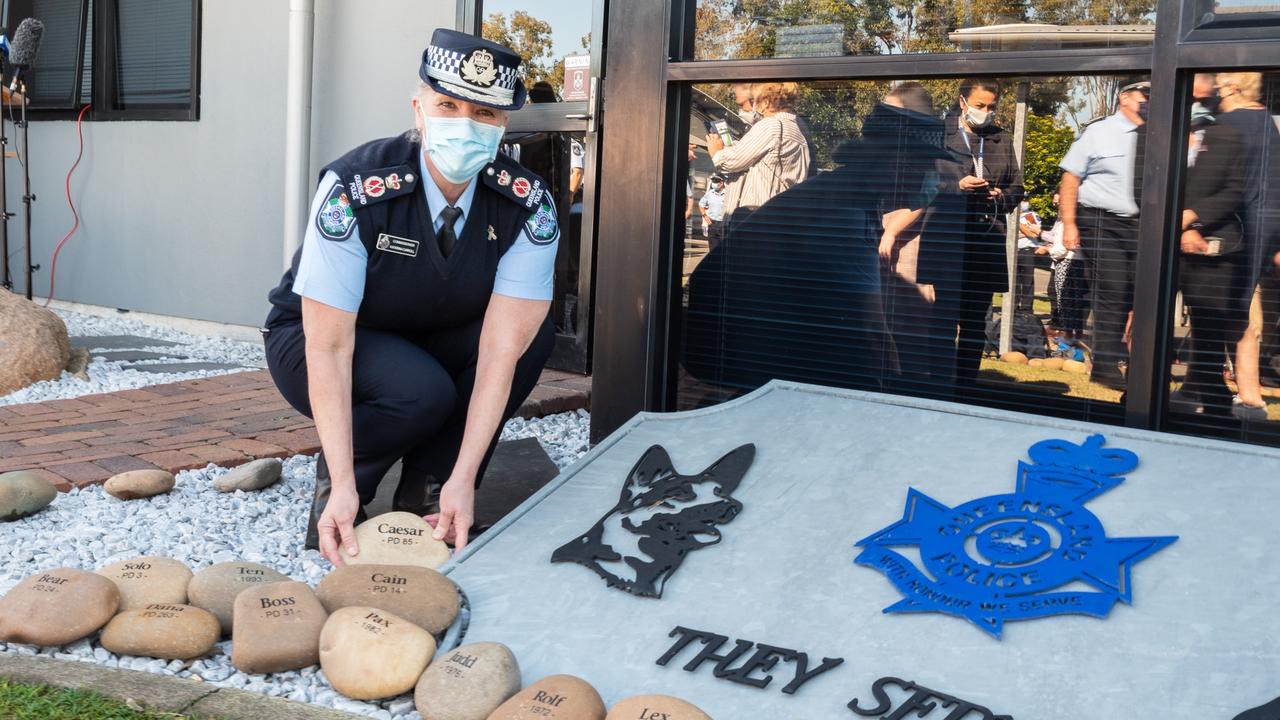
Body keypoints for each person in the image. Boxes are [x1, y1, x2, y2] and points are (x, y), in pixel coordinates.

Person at [262, 30, 558, 564]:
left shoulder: (528, 204)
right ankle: (341, 493)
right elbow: (328, 347)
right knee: (421, 392)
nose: (465, 125)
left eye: (485, 114)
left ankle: (433, 492)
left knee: (533, 342)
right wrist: (345, 481)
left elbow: (498, 352)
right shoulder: (355, 185)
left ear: (503, 126)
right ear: (419, 109)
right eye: (448, 105)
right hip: (319, 340)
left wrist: (466, 478)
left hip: (437, 333)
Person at [929, 78, 1024, 387]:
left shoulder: (1001, 139)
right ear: (962, 103)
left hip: (987, 236)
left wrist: (1001, 196)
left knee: (976, 319)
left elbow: (1017, 187)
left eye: (992, 107)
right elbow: (918, 182)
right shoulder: (937, 134)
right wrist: (956, 186)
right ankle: (938, 381)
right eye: (980, 106)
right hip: (948, 237)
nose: (986, 112)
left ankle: (966, 383)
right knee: (943, 317)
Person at [1058, 78, 1149, 390]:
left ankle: (1139, 363)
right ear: (1124, 97)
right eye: (1144, 94)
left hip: (1143, 225)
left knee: (1144, 293)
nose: (1149, 100)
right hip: (1101, 221)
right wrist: (1069, 224)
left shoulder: (1161, 131)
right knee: (1112, 288)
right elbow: (1071, 177)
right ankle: (1106, 365)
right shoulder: (1100, 131)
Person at [1172, 102, 1252, 418]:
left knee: (1207, 331)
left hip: (1215, 249)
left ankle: (1216, 407)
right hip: (1164, 245)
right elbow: (1144, 184)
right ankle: (1139, 398)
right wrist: (1177, 230)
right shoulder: (1160, 134)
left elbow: (1236, 190)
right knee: (1148, 323)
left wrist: (1194, 218)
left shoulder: (1227, 138)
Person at [1211, 72, 1277, 415]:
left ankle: (1245, 393)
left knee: (1227, 312)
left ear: (1233, 86)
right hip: (1262, 231)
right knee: (1246, 310)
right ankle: (1245, 391)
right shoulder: (1266, 122)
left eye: (1220, 81)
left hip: (1232, 231)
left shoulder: (1227, 124)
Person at [706, 82, 811, 225]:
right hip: (776, 217)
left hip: (755, 218)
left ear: (766, 101)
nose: (754, 105)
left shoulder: (771, 125)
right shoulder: (797, 131)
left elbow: (731, 162)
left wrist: (717, 151)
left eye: (756, 100)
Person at [699, 175, 727, 248]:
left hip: (724, 225)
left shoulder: (728, 194)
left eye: (715, 181)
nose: (713, 183)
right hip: (712, 224)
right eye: (713, 181)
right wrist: (705, 217)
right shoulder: (709, 193)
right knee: (712, 250)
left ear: (722, 182)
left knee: (723, 251)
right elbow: (701, 205)